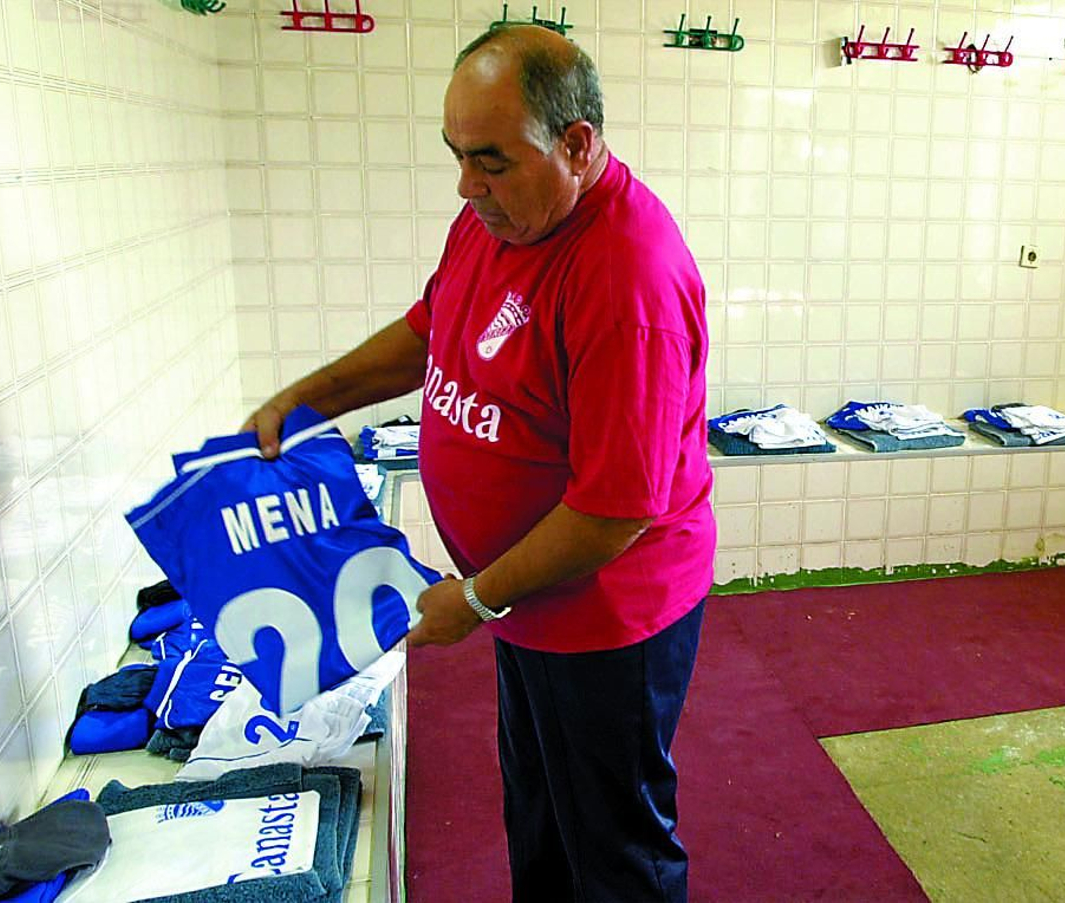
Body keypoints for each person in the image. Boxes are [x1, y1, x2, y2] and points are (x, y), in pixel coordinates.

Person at [241, 24, 715, 903]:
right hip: (527, 601)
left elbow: (616, 508)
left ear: (577, 144)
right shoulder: (495, 219)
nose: (468, 187)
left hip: (607, 618)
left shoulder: (627, 278)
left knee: (615, 849)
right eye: (457, 156)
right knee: (540, 819)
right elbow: (432, 330)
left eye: (490, 160)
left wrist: (475, 596)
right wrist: (309, 396)